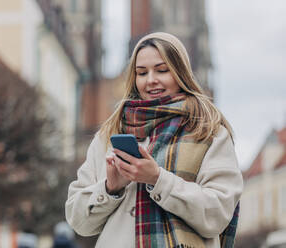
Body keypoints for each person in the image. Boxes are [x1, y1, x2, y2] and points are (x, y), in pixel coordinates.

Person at [65, 32, 243, 248]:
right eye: (142, 72)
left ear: (180, 72)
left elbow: (218, 214)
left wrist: (158, 179)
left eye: (162, 70)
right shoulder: (110, 134)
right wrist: (110, 188)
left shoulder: (208, 132)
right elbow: (78, 221)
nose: (151, 80)